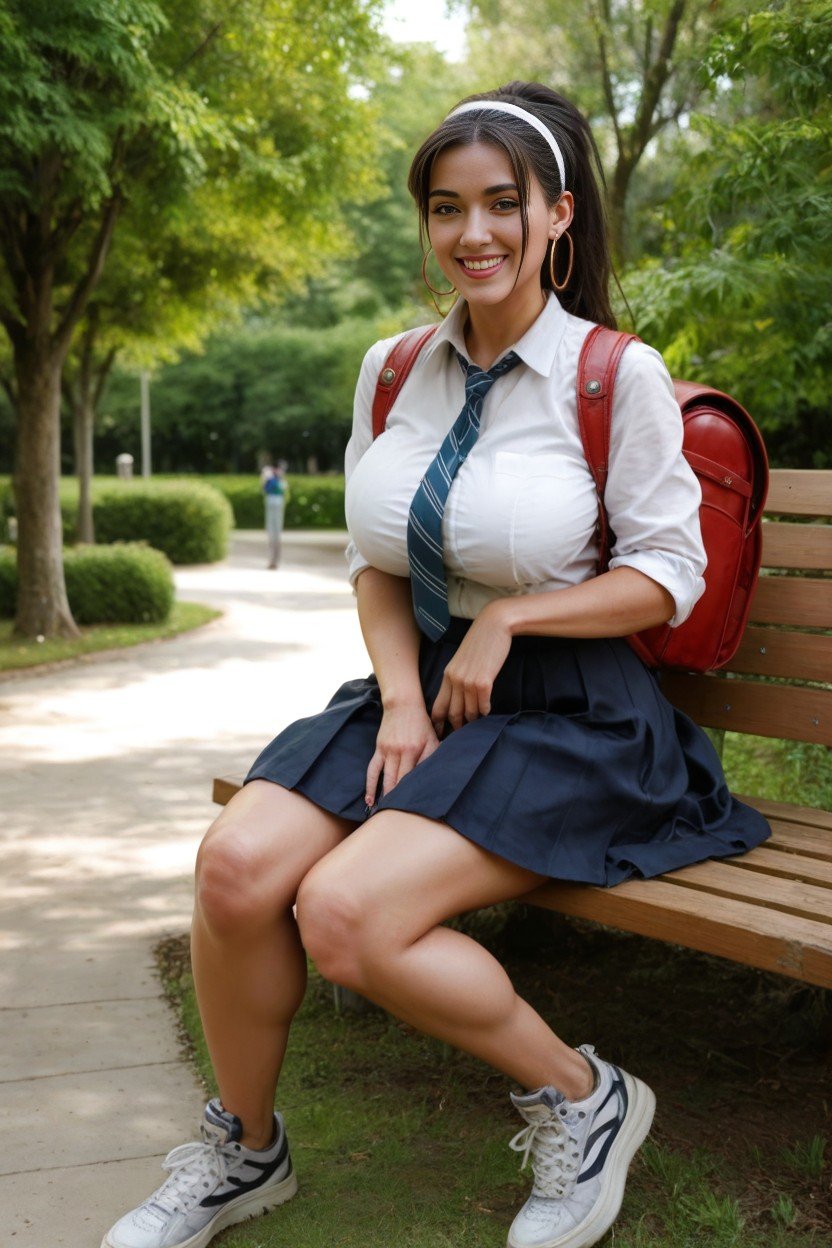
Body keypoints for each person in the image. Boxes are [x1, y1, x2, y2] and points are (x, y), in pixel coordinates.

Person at [101, 82, 770, 1248]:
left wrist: (516, 622)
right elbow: (373, 564)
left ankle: (585, 1098)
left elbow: (672, 576)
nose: (473, 233)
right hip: (427, 691)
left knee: (346, 914)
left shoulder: (616, 375)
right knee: (236, 870)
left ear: (556, 214)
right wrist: (403, 697)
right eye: (446, 206)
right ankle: (243, 1149)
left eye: (502, 204)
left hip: (576, 712)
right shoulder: (394, 369)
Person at [261, 458, 288, 568]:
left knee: (274, 533)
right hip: (275, 501)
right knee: (273, 533)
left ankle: (274, 561)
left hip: (274, 501)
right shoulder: (272, 477)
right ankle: (273, 561)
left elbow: (264, 489)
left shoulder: (274, 477)